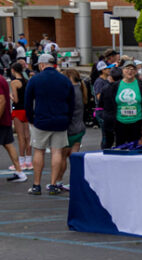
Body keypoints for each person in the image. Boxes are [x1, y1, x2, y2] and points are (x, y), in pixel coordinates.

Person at [24, 53, 74, 195]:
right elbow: (71, 102)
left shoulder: (35, 80)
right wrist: (67, 119)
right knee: (57, 152)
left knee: (38, 150)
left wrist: (31, 119)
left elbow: (28, 102)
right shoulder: (65, 80)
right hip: (61, 120)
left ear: (41, 65)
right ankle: (53, 184)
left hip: (41, 120)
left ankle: (36, 185)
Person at [101, 60, 142, 146]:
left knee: (135, 148)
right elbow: (109, 105)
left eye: (132, 69)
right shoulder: (114, 86)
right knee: (121, 148)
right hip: (119, 123)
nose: (130, 71)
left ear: (136, 71)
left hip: (137, 123)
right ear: (122, 70)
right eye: (127, 68)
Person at [54, 68, 88, 189]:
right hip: (79, 127)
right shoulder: (81, 89)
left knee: (62, 157)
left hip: (69, 129)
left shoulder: (69, 91)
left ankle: (58, 181)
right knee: (74, 158)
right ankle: (74, 182)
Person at [1, 71, 27, 182]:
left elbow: (2, 100)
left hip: (3, 119)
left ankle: (20, 171)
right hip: (6, 118)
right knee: (9, 145)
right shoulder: (3, 80)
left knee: (10, 144)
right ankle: (20, 172)